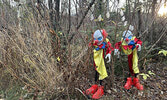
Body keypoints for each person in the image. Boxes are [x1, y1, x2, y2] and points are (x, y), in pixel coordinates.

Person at [86, 29, 114, 99]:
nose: (97, 40)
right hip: (96, 61)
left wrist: (109, 54)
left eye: (99, 38)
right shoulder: (93, 42)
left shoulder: (106, 42)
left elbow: (109, 48)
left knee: (102, 73)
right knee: (96, 71)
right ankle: (95, 86)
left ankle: (101, 88)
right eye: (95, 39)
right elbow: (90, 46)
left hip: (103, 61)